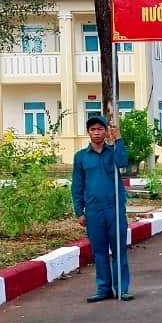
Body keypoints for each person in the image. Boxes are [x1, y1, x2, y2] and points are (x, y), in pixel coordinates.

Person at [71, 116, 132, 302]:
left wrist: (119, 139)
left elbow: (123, 163)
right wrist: (79, 211)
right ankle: (103, 288)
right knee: (99, 251)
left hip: (114, 209)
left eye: (100, 129)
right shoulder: (81, 157)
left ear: (106, 131)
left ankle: (122, 288)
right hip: (93, 211)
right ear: (88, 132)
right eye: (93, 129)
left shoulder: (113, 152)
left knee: (119, 250)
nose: (97, 133)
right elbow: (77, 185)